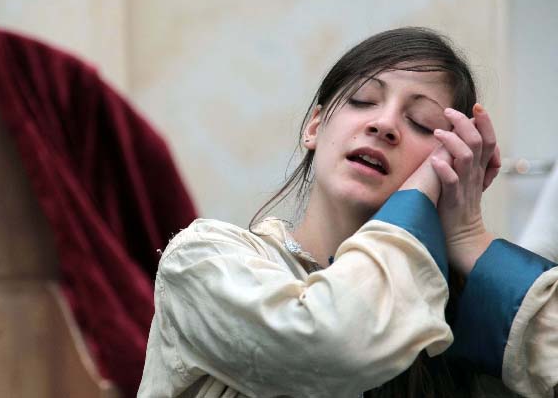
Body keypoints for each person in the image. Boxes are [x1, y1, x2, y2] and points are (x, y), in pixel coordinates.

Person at [138, 28, 558, 398]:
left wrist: (470, 240)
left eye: (421, 122)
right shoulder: (203, 259)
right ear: (314, 127)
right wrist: (414, 207)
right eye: (363, 100)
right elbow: (331, 340)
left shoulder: (447, 315)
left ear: (451, 163)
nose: (384, 124)